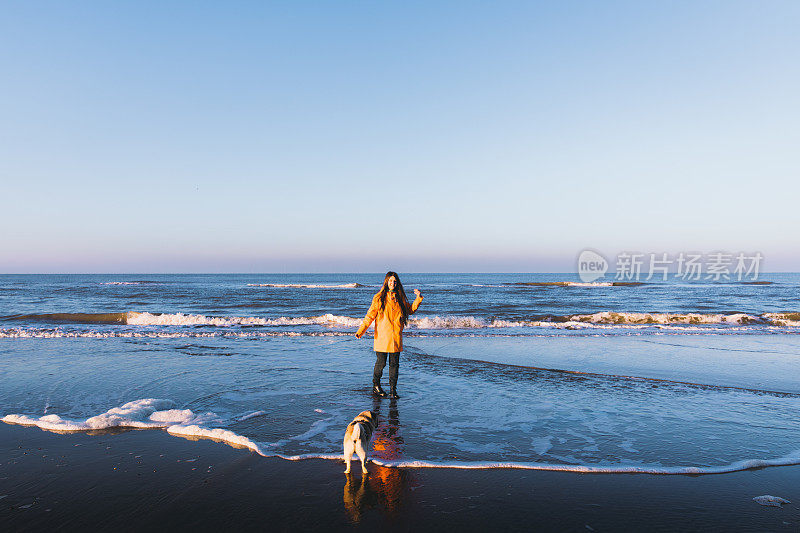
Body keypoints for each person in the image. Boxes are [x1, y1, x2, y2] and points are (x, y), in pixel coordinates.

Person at [355, 271, 423, 399]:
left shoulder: (400, 297)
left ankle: (393, 390)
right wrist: (361, 331)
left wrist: (418, 298)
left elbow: (410, 310)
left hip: (396, 336)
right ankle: (376, 386)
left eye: (395, 281)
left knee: (394, 365)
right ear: (386, 282)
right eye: (391, 281)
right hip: (382, 337)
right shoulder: (379, 297)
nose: (393, 283)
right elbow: (370, 316)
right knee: (381, 363)